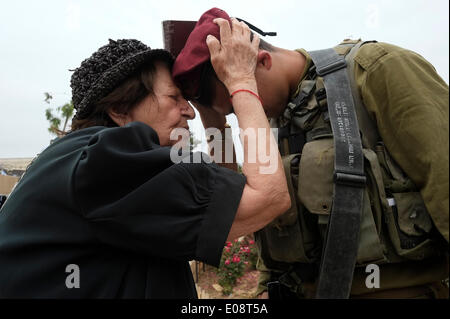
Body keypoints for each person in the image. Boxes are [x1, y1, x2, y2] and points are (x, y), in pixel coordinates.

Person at [171, 7, 449, 298]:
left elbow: (442, 178)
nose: (244, 113)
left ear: (262, 61)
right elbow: (233, 198)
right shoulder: (273, 122)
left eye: (240, 101)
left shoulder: (376, 69)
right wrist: (212, 117)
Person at [0, 37, 290, 298]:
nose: (188, 110)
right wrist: (241, 82)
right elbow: (268, 197)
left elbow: (226, 196)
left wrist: (210, 113)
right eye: (175, 98)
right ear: (121, 110)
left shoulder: (80, 157)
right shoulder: (106, 162)